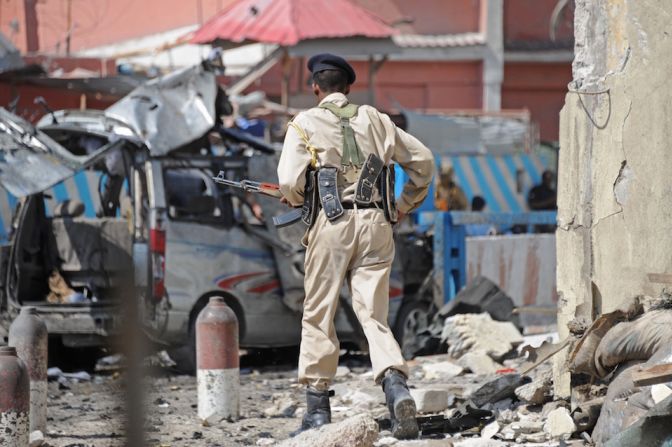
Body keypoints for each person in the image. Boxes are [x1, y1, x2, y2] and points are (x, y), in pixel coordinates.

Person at [277, 53, 434, 439]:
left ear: (315, 87)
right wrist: (402, 206)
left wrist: (298, 198)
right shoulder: (378, 120)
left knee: (319, 310)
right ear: (348, 88)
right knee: (373, 313)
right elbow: (423, 161)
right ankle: (395, 386)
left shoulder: (304, 123)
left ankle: (317, 410)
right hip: (376, 223)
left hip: (331, 225)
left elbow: (288, 182)